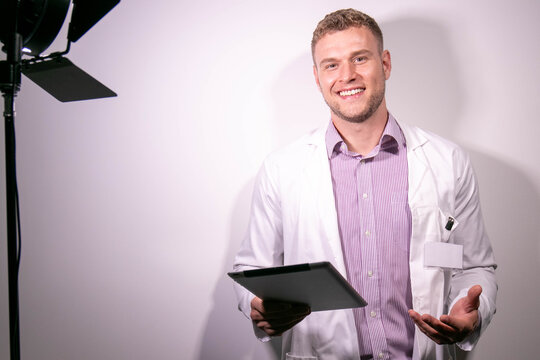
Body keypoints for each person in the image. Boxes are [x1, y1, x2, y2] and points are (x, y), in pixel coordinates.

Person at [232, 8, 497, 360]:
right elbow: (253, 269)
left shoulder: (447, 161)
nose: (347, 75)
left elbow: (476, 265)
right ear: (317, 77)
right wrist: (257, 305)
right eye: (331, 64)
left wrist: (473, 313)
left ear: (385, 64)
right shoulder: (281, 169)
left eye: (360, 58)